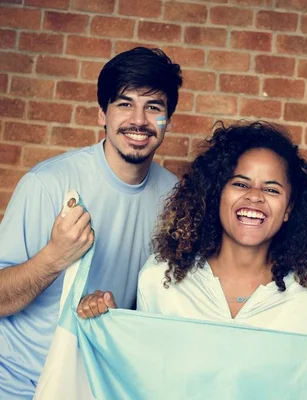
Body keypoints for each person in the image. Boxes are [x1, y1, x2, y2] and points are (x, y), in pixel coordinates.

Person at [0, 47, 182, 398]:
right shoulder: (48, 183)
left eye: (154, 107)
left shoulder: (174, 199)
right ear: (103, 113)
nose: (139, 120)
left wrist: (116, 315)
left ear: (168, 121)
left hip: (94, 387)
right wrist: (53, 258)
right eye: (125, 104)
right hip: (19, 385)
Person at [77, 121, 307, 337]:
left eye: (271, 189)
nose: (255, 197)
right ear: (217, 196)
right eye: (240, 184)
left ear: (289, 209)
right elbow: (137, 372)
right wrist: (105, 324)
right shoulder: (161, 279)